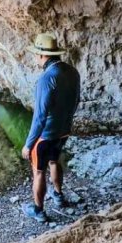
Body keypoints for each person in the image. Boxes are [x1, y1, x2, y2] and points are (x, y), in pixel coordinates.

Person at [21, 33, 81, 223]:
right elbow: (76, 101)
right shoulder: (72, 72)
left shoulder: (46, 78)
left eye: (36, 55)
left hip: (45, 136)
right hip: (63, 131)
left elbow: (39, 117)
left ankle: (38, 210)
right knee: (55, 161)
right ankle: (58, 195)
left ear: (41, 55)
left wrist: (28, 144)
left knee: (39, 172)